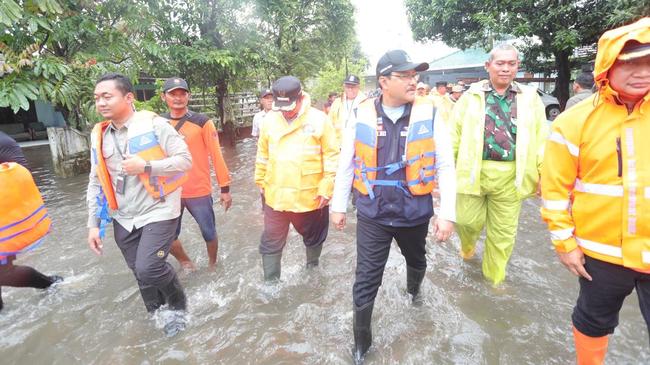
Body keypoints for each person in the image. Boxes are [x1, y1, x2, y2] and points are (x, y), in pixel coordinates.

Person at [330, 49, 456, 364]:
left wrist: (447, 214)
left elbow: (445, 166)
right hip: (373, 213)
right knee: (366, 277)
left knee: (417, 260)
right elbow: (346, 163)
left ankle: (414, 294)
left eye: (415, 75)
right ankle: (361, 348)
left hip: (414, 212)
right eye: (405, 75)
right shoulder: (361, 114)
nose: (414, 80)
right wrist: (338, 206)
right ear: (384, 81)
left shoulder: (430, 114)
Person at [541, 18, 650, 365]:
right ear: (607, 66)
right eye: (630, 62)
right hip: (600, 255)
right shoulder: (574, 122)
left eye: (649, 61)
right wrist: (565, 245)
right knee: (592, 321)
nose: (642, 72)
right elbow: (555, 189)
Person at [86, 72, 192, 336]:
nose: (101, 103)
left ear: (129, 97)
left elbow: (185, 161)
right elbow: (96, 181)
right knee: (139, 272)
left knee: (150, 267)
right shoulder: (99, 135)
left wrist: (146, 166)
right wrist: (93, 225)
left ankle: (179, 308)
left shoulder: (155, 125)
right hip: (123, 215)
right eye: (97, 98)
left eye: (107, 96)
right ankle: (156, 314)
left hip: (158, 208)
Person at [450, 43, 548, 286]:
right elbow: (454, 134)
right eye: (500, 63)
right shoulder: (470, 96)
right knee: (466, 222)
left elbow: (541, 138)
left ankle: (494, 280)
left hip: (512, 177)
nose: (505, 69)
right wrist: (446, 172)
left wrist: (544, 173)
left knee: (502, 234)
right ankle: (468, 248)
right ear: (488, 66)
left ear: (517, 67)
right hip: (472, 173)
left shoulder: (530, 98)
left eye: (511, 64)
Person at [254, 76, 339, 282]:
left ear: (300, 98)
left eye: (290, 106)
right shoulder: (269, 121)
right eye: (281, 107)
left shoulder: (319, 119)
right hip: (275, 195)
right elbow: (262, 154)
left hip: (309, 195)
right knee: (271, 241)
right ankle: (271, 284)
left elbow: (332, 155)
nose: (286, 111)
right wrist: (260, 181)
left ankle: (312, 270)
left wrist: (327, 186)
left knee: (314, 237)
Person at [160, 77, 232, 271]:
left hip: (198, 189)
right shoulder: (157, 123)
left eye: (182, 93)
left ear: (188, 96)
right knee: (167, 237)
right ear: (163, 97)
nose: (178, 98)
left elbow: (217, 156)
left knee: (209, 232)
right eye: (172, 94)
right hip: (169, 191)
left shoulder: (202, 122)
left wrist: (224, 188)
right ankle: (185, 261)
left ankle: (212, 265)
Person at [0, 132, 61, 312]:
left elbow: (23, 178)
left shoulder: (4, 143)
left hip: (4, 223)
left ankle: (51, 283)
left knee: (4, 274)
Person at [328, 75, 366, 146]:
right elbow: (328, 124)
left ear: (358, 87)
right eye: (348, 86)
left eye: (353, 87)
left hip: (358, 147)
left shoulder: (366, 103)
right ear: (344, 87)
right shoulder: (337, 102)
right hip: (338, 146)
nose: (350, 89)